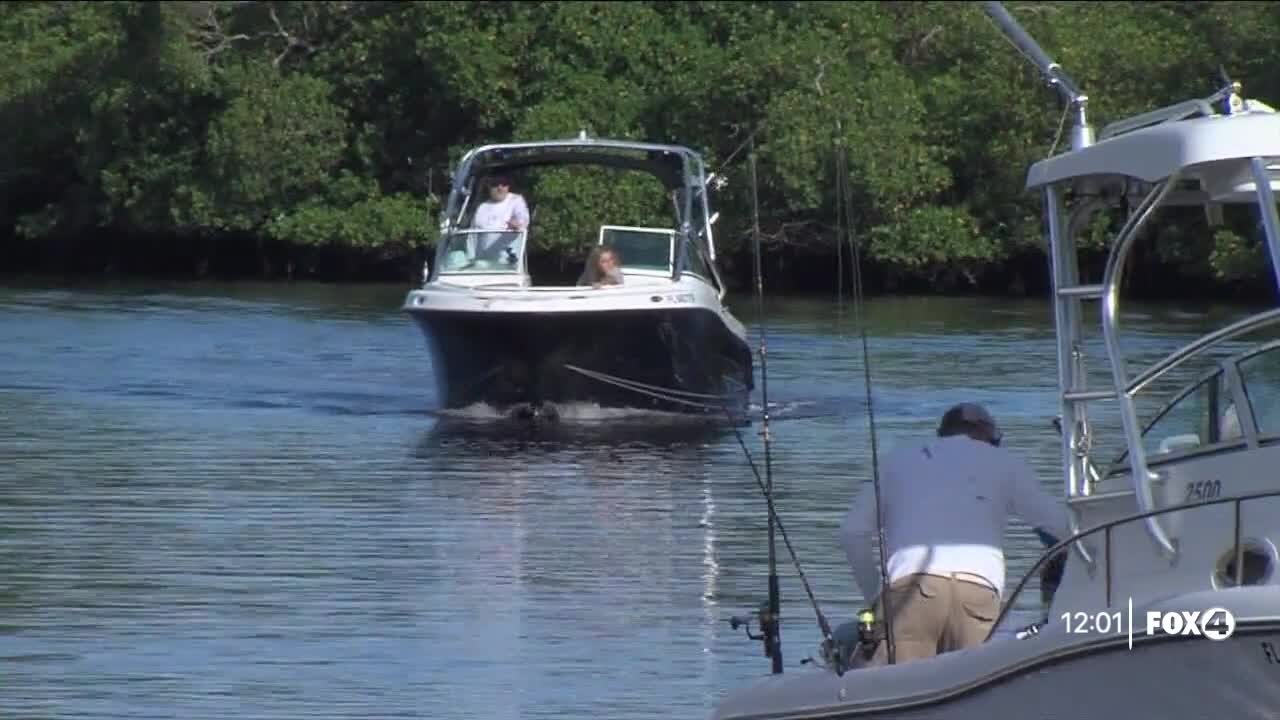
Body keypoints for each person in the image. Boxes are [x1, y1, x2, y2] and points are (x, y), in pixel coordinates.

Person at [839, 402, 1068, 666]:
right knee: (976, 696)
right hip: (978, 593)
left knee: (901, 693)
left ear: (942, 433)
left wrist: (875, 597)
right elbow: (1061, 527)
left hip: (910, 592)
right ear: (989, 435)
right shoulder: (1005, 462)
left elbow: (852, 533)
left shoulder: (897, 459)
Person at [469, 175, 530, 263]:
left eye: (504, 184)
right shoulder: (482, 207)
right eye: (495, 184)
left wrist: (516, 224)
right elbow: (472, 236)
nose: (500, 188)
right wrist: (471, 258)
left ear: (508, 186)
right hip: (483, 263)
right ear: (489, 186)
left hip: (508, 264)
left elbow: (523, 221)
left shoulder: (516, 200)